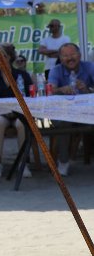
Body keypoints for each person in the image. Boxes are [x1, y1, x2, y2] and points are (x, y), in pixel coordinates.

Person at [0, 43, 33, 179]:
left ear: (9, 58)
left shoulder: (22, 75)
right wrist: (4, 111)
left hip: (19, 114)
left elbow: (30, 97)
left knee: (22, 124)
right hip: (1, 114)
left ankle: (23, 163)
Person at [47, 43, 94, 176]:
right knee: (63, 122)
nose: (70, 58)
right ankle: (63, 161)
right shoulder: (56, 70)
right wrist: (61, 89)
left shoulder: (90, 67)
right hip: (64, 112)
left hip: (87, 111)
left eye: (73, 55)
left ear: (79, 55)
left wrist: (87, 89)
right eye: (66, 56)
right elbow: (50, 90)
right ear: (61, 58)